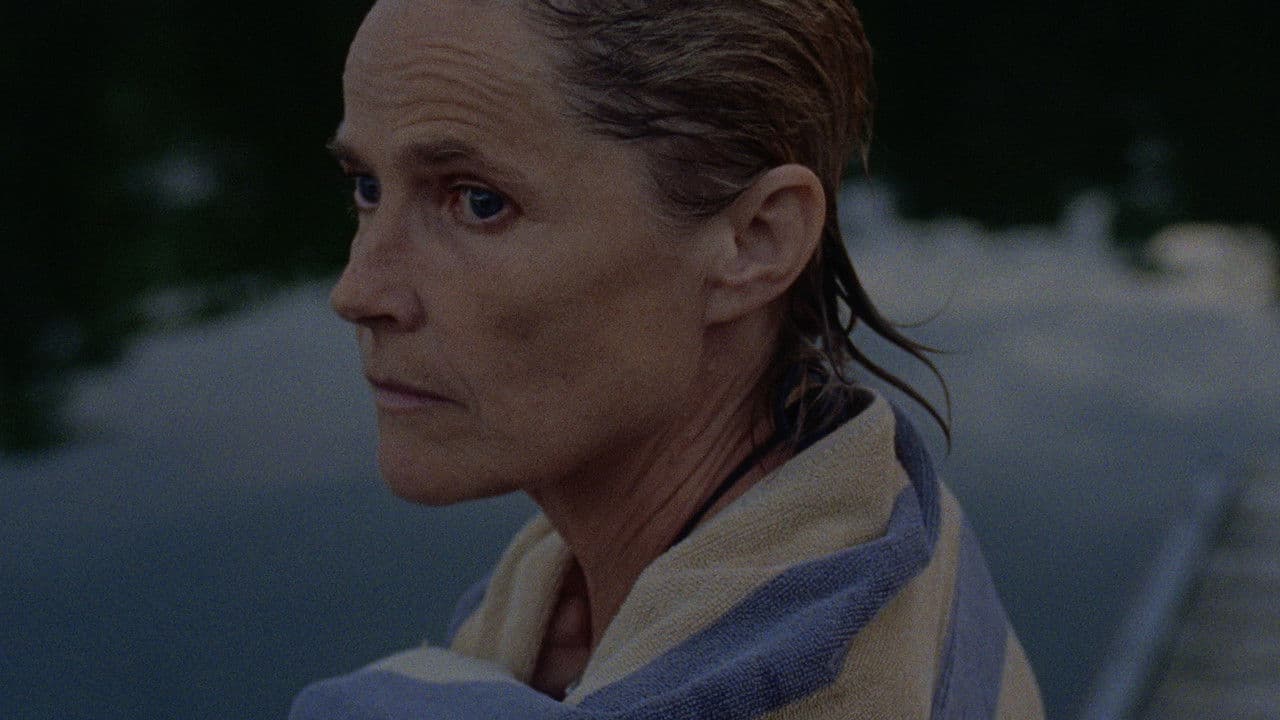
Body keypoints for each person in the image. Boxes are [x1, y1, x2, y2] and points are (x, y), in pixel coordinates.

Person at [293, 0, 1044, 717]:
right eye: (367, 187)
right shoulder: (884, 519)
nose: (357, 291)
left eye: (478, 202)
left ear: (755, 241)